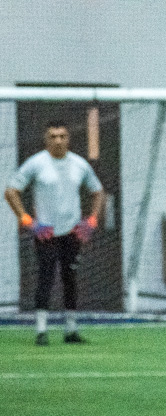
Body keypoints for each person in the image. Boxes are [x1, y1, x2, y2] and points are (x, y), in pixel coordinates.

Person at [4, 121, 106, 345]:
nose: (58, 140)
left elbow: (98, 192)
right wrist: (28, 220)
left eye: (62, 136)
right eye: (53, 136)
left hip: (72, 232)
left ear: (68, 138)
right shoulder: (36, 163)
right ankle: (41, 330)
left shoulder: (79, 164)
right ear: (46, 139)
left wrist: (92, 220)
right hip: (46, 233)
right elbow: (11, 192)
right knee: (45, 278)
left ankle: (71, 330)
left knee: (70, 279)